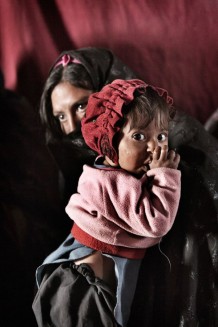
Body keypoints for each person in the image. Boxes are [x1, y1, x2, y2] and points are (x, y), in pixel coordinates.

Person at [33, 79, 181, 327]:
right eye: (139, 136)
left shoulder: (111, 173)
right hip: (87, 289)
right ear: (110, 142)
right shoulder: (113, 184)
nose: (155, 147)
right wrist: (165, 176)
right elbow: (157, 223)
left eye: (162, 136)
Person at [39, 47, 138, 202]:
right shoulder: (63, 167)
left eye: (80, 106)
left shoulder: (166, 144)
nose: (71, 127)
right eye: (61, 116)